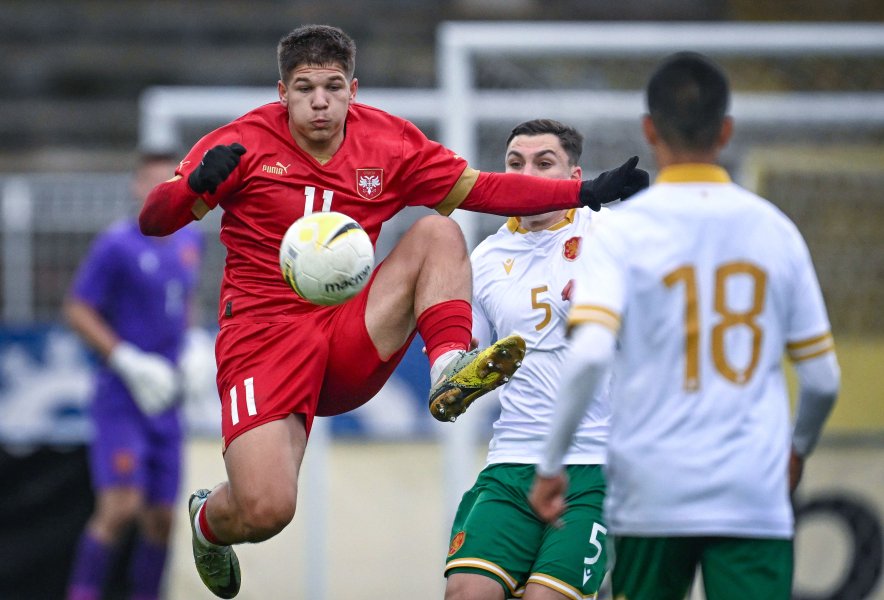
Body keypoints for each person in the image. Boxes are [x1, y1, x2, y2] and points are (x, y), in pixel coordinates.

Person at [138, 24, 647, 598]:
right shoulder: (240, 144)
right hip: (263, 339)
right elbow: (154, 220)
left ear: (354, 88)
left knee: (437, 230)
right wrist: (191, 190)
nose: (320, 102)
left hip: (347, 333)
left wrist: (579, 194)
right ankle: (209, 521)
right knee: (266, 510)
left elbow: (482, 190)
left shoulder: (389, 143)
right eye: (304, 88)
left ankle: (448, 368)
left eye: (333, 86)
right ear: (281, 92)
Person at [529, 52, 840, 600]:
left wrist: (551, 462)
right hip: (753, 491)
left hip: (653, 488)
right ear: (726, 130)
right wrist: (798, 449)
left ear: (650, 131)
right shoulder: (775, 230)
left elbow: (592, 355)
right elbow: (822, 380)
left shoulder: (620, 233)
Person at [444, 119, 613, 600]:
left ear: (575, 177)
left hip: (595, 464)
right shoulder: (485, 257)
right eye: (516, 164)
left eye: (545, 163)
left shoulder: (610, 236)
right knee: (465, 593)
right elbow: (465, 356)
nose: (528, 173)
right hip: (513, 459)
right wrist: (458, 379)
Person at [64, 151, 203, 600]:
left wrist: (193, 342)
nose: (158, 188)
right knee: (121, 506)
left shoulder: (188, 242)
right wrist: (124, 358)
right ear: (136, 186)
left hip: (167, 399)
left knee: (162, 518)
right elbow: (77, 308)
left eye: (168, 181)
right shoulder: (116, 245)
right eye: (151, 180)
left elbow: (184, 301)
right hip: (123, 396)